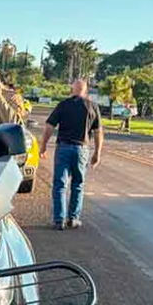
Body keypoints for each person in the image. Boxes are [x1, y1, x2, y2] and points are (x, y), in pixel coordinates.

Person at [39, 79, 103, 230]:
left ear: (72, 89)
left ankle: (58, 220)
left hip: (63, 148)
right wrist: (97, 152)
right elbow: (98, 132)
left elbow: (49, 126)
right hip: (82, 149)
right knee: (78, 184)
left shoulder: (63, 105)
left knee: (60, 184)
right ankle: (73, 218)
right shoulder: (92, 107)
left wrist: (43, 146)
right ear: (85, 90)